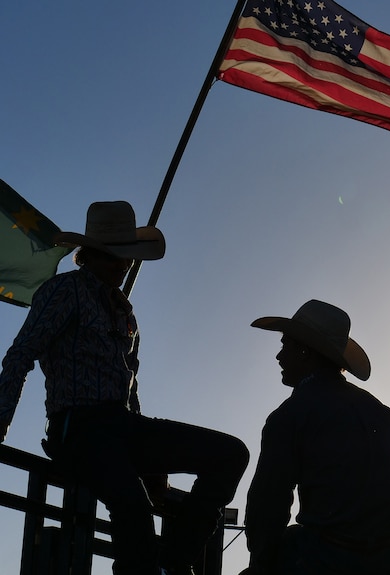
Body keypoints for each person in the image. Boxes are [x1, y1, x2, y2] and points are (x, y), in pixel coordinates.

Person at [0, 201, 250, 575]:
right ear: (90, 255)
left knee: (231, 453)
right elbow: (21, 354)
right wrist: (1, 420)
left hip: (123, 426)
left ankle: (176, 562)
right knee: (133, 512)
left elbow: (129, 389)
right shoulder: (63, 290)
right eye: (114, 258)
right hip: (78, 429)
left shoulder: (125, 311)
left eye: (127, 259)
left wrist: (152, 468)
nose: (123, 266)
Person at [242, 299, 390, 575]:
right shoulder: (380, 411)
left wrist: (260, 565)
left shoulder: (289, 416)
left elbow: (267, 508)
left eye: (285, 345)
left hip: (328, 561)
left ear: (305, 352)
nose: (279, 356)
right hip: (389, 562)